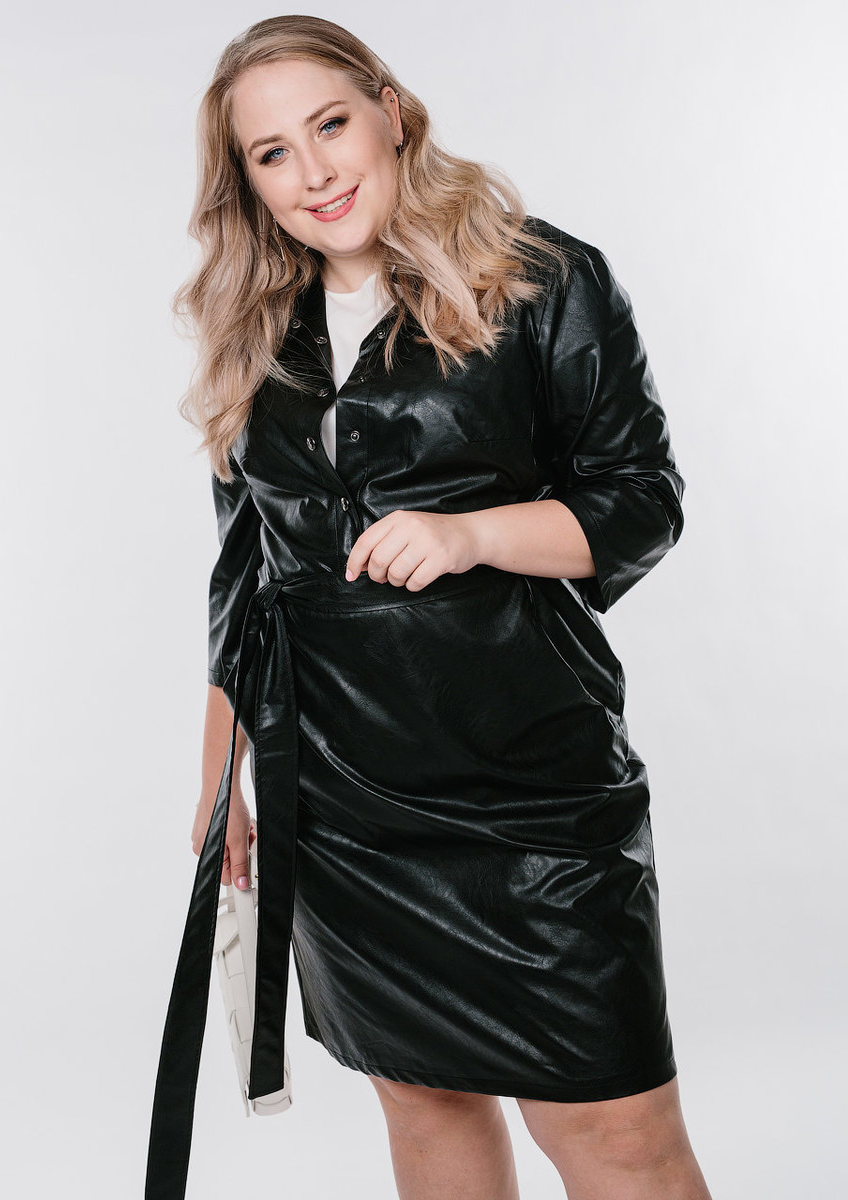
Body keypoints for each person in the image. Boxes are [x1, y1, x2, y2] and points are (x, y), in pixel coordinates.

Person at [146, 14, 713, 1200]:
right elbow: (245, 573)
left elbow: (641, 503)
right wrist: (220, 778)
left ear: (390, 111)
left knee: (617, 1137)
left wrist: (474, 534)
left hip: (537, 799)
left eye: (331, 126)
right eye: (273, 153)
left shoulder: (541, 277)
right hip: (343, 807)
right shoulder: (257, 329)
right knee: (425, 1106)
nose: (315, 173)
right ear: (247, 179)